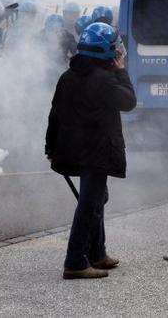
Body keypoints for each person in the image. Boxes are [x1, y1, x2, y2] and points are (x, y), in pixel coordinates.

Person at [45, 22, 136, 280]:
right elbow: (129, 101)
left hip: (74, 148)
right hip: (96, 151)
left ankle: (97, 252)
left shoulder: (67, 76)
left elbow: (54, 114)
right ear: (107, 51)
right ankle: (75, 262)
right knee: (89, 204)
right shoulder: (105, 80)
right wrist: (121, 72)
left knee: (95, 200)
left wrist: (50, 146)